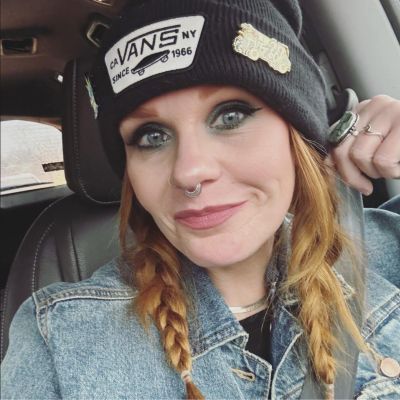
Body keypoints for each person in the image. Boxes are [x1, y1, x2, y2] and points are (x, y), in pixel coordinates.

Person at [1, 1, 399, 399]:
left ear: (299, 135)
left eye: (230, 116)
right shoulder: (62, 338)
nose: (188, 172)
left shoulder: (387, 252)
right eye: (152, 136)